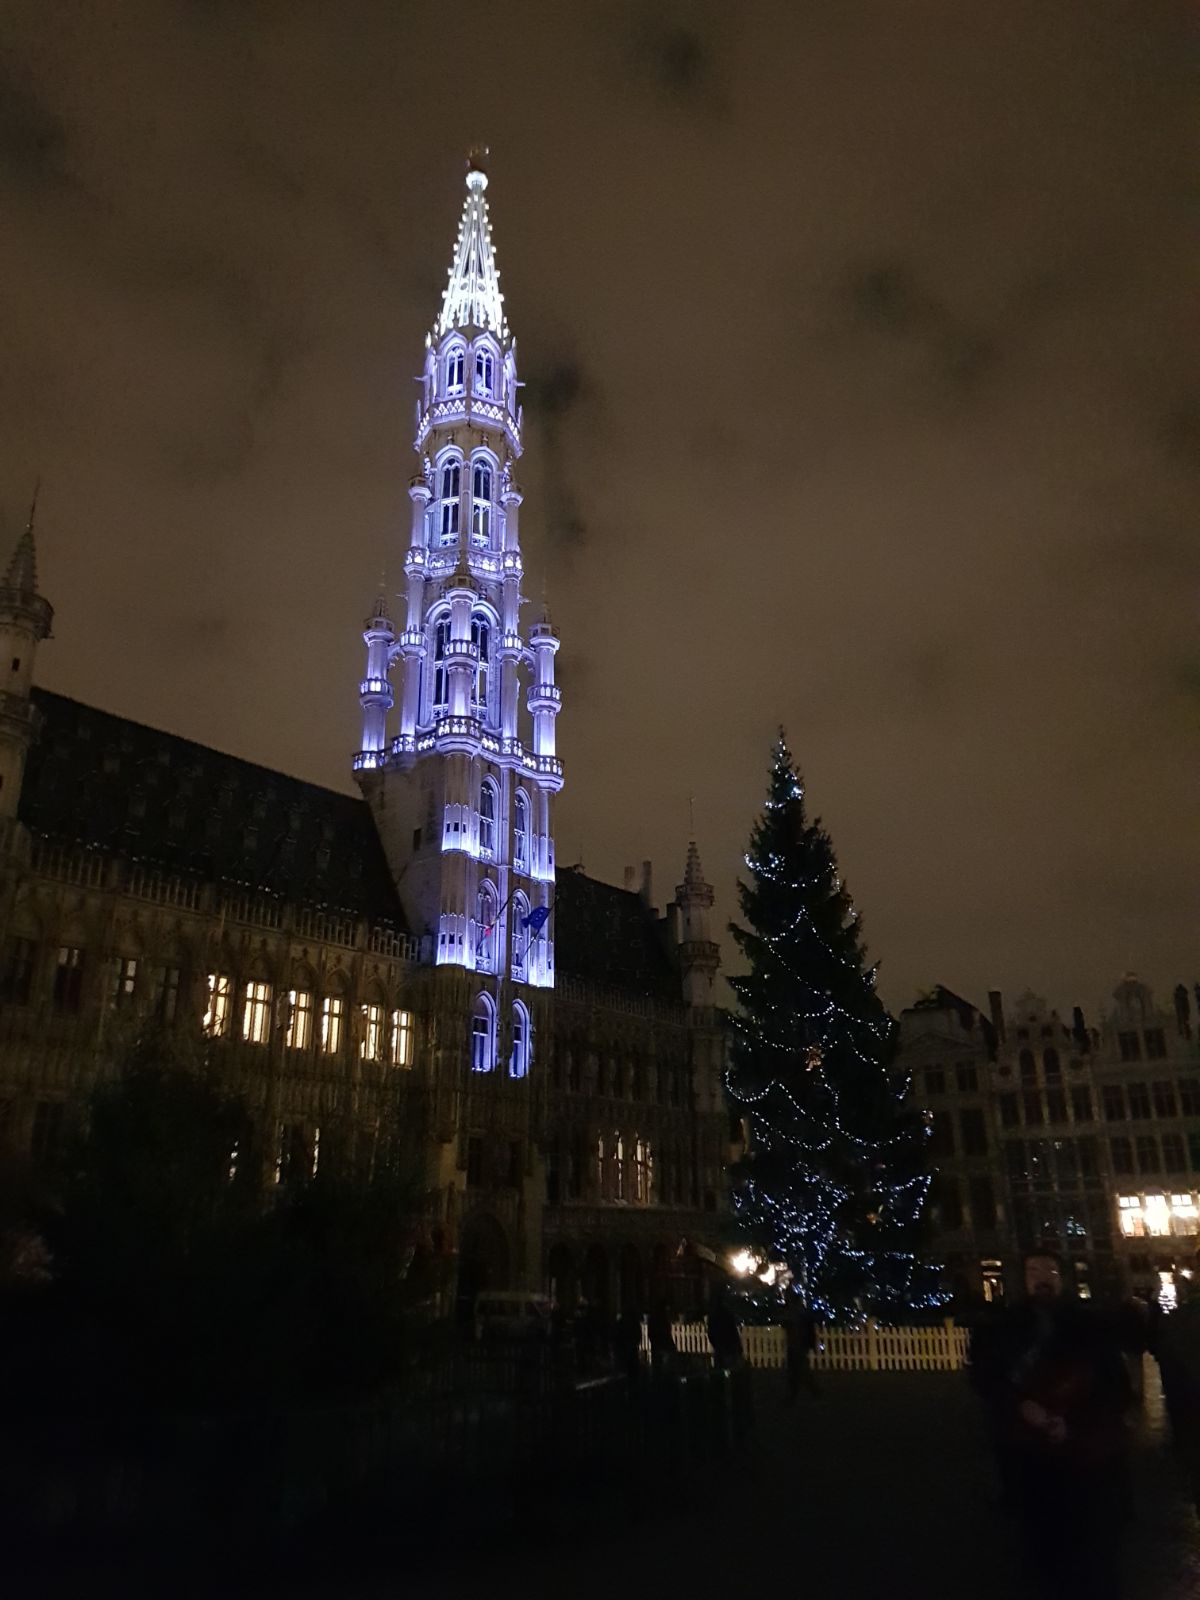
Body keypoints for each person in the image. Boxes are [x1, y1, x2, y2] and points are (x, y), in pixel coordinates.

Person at [970, 1250, 1133, 1599]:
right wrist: (1019, 1405)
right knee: (1037, 1540)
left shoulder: (1088, 1325)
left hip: (1082, 1454)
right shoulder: (1005, 1327)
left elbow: (1113, 1385)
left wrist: (1072, 1420)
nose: (1041, 1277)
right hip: (1028, 1453)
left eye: (1049, 1270)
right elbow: (987, 1377)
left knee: (1088, 1544)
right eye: (1033, 1270)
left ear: (1062, 1277)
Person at [784, 1294, 819, 1401]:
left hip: (797, 1345)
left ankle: (809, 1391)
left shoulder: (798, 1315)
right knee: (798, 1371)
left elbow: (808, 1331)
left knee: (799, 1370)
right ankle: (810, 1391)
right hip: (796, 1345)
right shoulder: (801, 1314)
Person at [647, 1300, 676, 1374]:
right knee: (665, 1369)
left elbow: (650, 1334)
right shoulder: (662, 1318)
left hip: (658, 1346)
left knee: (659, 1369)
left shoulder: (653, 1318)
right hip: (663, 1346)